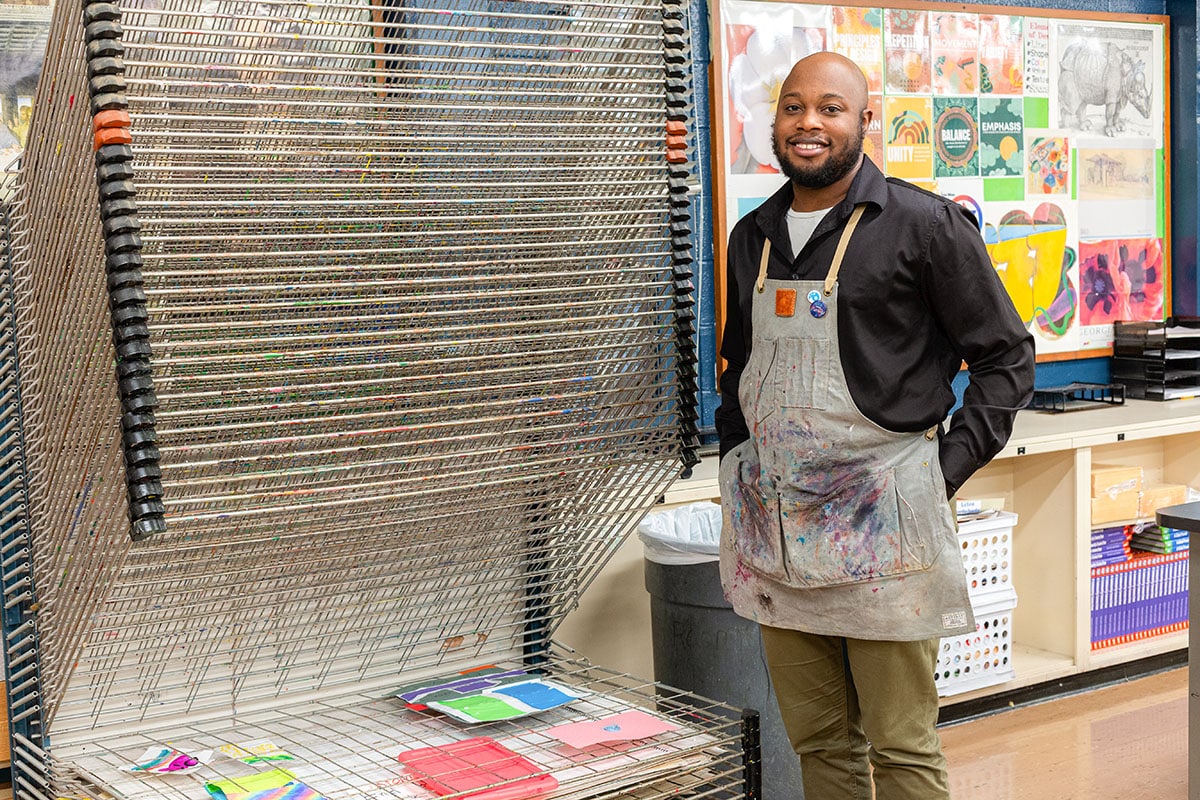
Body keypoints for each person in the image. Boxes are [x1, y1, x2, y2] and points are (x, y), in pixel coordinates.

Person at [715, 51, 1035, 799]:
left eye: (831, 108)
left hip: (886, 532)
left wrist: (943, 470)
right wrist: (738, 458)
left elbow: (1006, 358)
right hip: (778, 531)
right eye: (794, 107)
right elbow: (738, 363)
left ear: (865, 121)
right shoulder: (752, 235)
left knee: (901, 747)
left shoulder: (925, 226)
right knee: (819, 741)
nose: (809, 123)